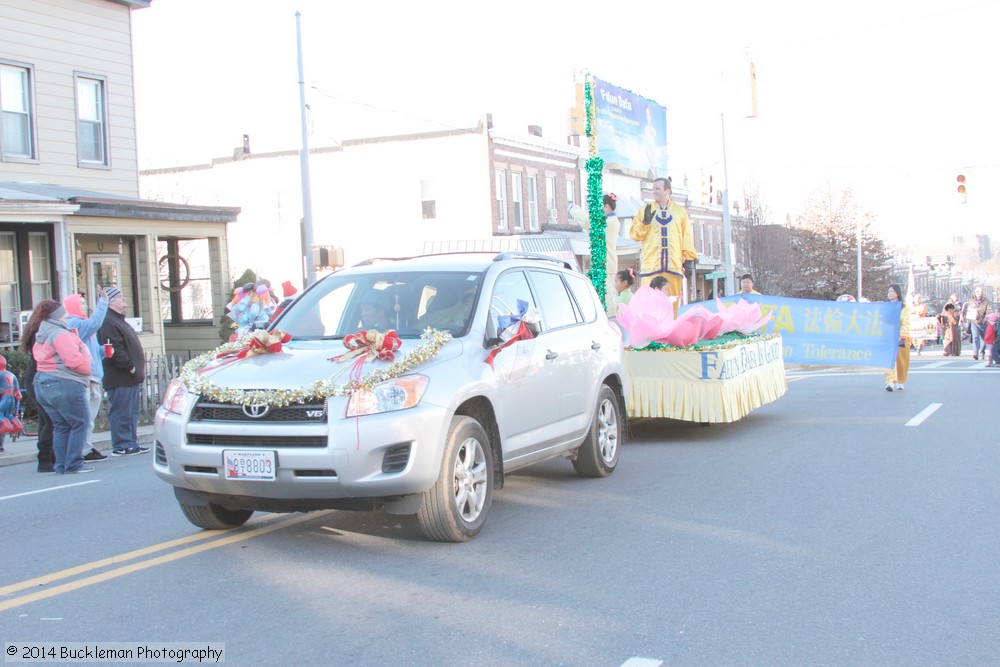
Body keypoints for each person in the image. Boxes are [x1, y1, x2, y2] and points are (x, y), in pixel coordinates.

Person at [32, 301, 93, 474]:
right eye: (64, 313)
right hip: (65, 381)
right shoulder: (60, 334)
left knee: (61, 425)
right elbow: (73, 361)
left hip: (43, 381)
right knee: (80, 422)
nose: (66, 316)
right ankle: (74, 463)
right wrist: (88, 368)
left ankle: (61, 464)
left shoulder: (42, 334)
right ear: (58, 315)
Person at [629, 177, 697, 312]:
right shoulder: (644, 211)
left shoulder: (679, 211)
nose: (653, 191)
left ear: (667, 191)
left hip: (673, 267)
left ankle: (670, 331)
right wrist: (645, 224)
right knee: (649, 308)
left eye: (657, 188)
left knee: (672, 307)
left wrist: (689, 259)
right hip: (650, 268)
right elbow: (634, 235)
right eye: (653, 188)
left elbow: (686, 236)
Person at [97, 286, 148, 457]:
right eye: (120, 297)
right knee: (121, 411)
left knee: (130, 411)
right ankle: (122, 444)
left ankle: (131, 442)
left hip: (130, 377)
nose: (124, 298)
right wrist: (130, 366)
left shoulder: (118, 319)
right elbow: (114, 349)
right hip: (121, 376)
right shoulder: (108, 321)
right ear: (111, 301)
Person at [64, 287, 109, 462]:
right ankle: (82, 449)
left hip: (94, 376)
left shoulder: (82, 324)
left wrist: (102, 351)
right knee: (85, 417)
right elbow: (94, 323)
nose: (84, 306)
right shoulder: (74, 323)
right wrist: (103, 302)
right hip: (86, 378)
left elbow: (89, 349)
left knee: (89, 416)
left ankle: (85, 446)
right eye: (81, 303)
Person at [19, 302, 58, 472]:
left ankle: (49, 456)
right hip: (40, 376)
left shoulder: (37, 329)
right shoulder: (42, 332)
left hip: (36, 375)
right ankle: (45, 458)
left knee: (46, 418)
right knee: (49, 419)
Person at [883, 284, 910, 392]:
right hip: (889, 336)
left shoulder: (904, 307)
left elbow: (906, 322)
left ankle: (900, 381)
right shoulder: (886, 307)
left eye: (892, 292)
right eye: (888, 291)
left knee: (902, 360)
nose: (889, 294)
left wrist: (903, 336)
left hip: (901, 336)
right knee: (889, 360)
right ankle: (890, 381)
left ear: (897, 293)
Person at [0, 355, 22, 453]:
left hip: (3, 397)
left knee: (1, 417)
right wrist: (17, 394)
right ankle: (17, 425)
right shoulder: (10, 374)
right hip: (10, 398)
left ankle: (7, 428)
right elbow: (17, 390)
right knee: (8, 416)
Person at [962, 285, 990, 361]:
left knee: (983, 338)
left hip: (982, 322)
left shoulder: (986, 301)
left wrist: (985, 319)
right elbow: (968, 309)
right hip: (973, 321)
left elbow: (988, 310)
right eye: (977, 291)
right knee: (975, 337)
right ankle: (975, 353)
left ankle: (982, 352)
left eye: (980, 291)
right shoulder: (971, 300)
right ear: (975, 292)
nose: (978, 293)